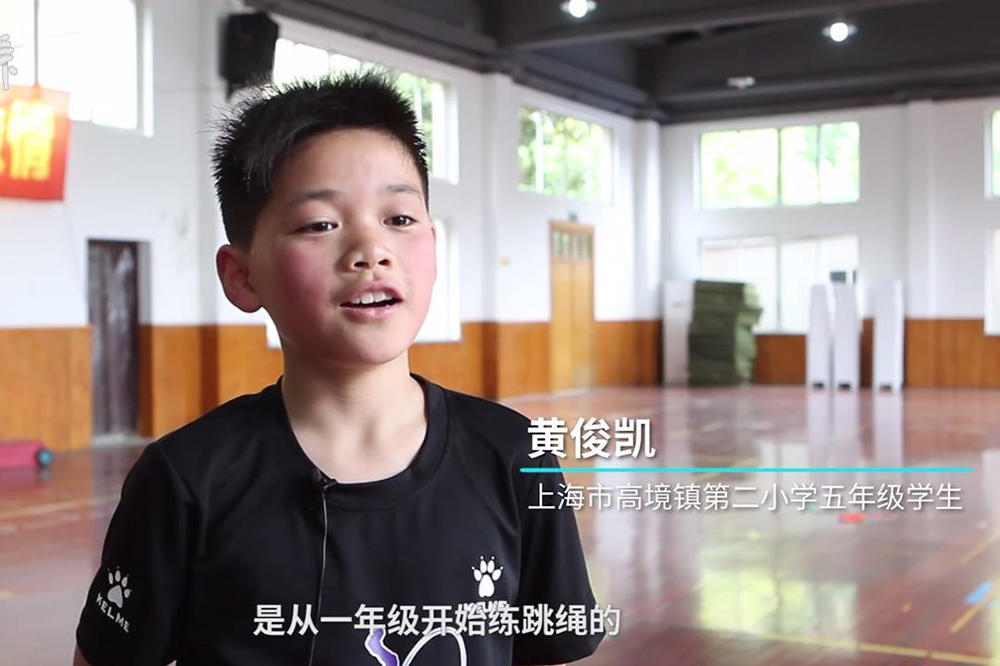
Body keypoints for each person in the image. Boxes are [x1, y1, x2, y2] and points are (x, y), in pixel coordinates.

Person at [73, 70, 603, 666]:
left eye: (399, 219)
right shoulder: (187, 478)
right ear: (241, 276)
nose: (371, 250)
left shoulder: (513, 455)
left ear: (433, 245)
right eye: (320, 224)